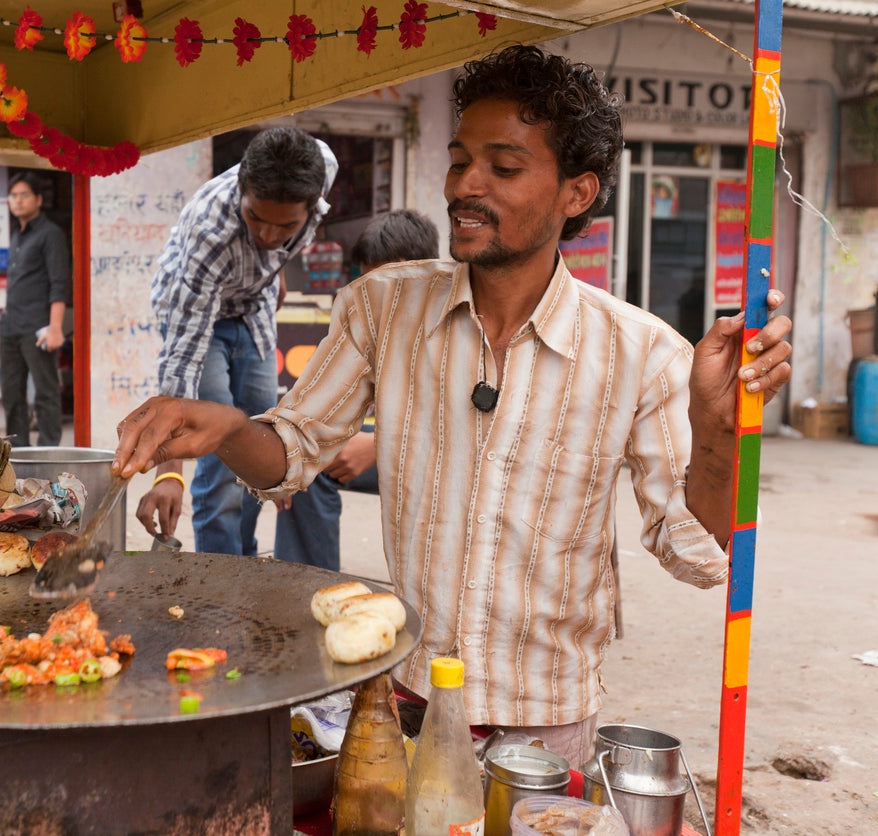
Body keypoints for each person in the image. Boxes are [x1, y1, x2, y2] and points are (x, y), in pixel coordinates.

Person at [112, 45, 792, 767]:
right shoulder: (384, 305)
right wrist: (229, 430)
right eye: (459, 159)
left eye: (503, 168)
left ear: (577, 192)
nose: (466, 185)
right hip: (403, 699)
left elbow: (696, 552)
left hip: (544, 725)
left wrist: (716, 432)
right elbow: (292, 454)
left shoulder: (643, 351)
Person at [135, 126, 338, 556]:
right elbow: (183, 358)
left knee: (259, 444)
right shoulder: (211, 231)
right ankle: (219, 580)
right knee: (220, 460)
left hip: (253, 310)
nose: (267, 236)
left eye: (285, 226)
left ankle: (241, 563)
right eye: (255, 218)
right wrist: (168, 472)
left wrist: (273, 268)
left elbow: (273, 239)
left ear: (311, 205)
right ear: (240, 191)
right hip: (196, 320)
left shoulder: (325, 164)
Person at [274, 210, 440, 570]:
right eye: (368, 284)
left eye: (389, 283)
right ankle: (307, 586)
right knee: (309, 466)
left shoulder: (454, 321)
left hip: (440, 459)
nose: (375, 296)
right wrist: (294, 457)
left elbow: (466, 429)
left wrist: (381, 446)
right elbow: (324, 403)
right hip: (387, 440)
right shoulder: (366, 322)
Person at [0, 171, 71, 448]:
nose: (17, 201)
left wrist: (56, 327)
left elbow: (58, 284)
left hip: (37, 327)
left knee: (46, 394)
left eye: (24, 195)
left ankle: (48, 454)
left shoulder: (50, 235)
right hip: (10, 327)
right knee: (12, 395)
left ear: (39, 200)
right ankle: (17, 457)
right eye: (13, 196)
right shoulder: (17, 236)